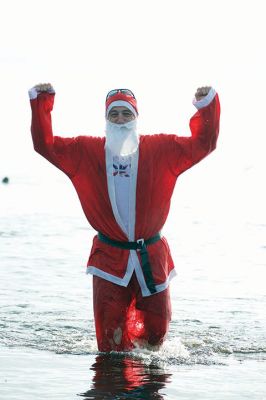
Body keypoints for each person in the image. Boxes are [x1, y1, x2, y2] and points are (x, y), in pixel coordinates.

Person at [28, 84, 220, 352]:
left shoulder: (161, 148)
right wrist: (42, 103)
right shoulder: (86, 151)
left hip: (151, 257)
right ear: (106, 119)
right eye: (114, 115)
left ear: (136, 118)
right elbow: (44, 145)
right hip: (108, 257)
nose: (120, 120)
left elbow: (203, 144)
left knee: (157, 335)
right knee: (109, 340)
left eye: (126, 114)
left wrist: (206, 105)